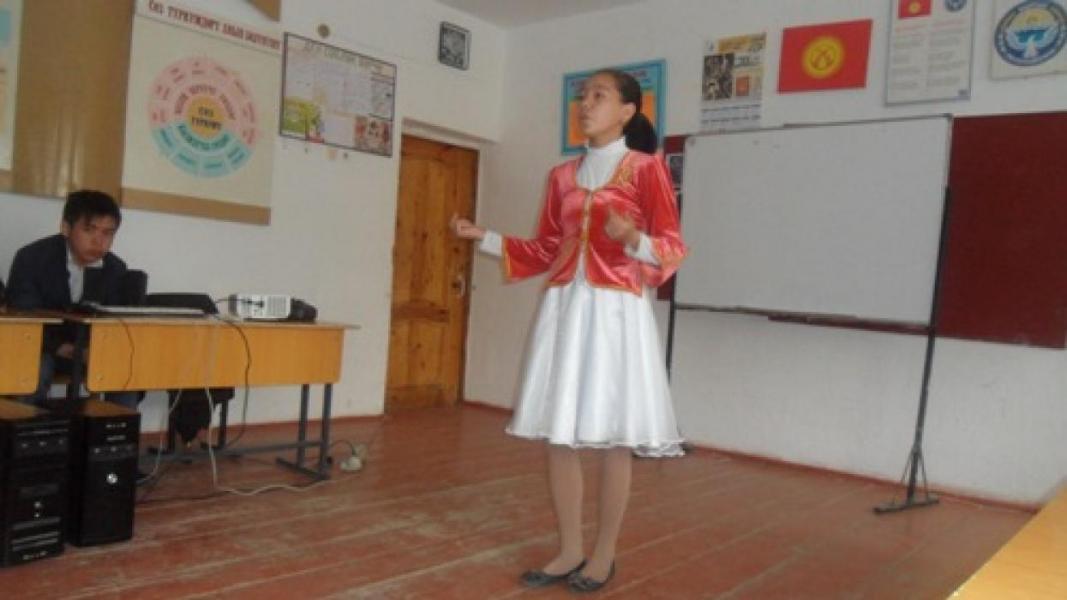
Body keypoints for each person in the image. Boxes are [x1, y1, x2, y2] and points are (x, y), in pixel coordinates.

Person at [451, 69, 687, 592]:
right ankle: (569, 550)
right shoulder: (561, 175)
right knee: (560, 435)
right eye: (583, 96)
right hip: (565, 309)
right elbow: (544, 249)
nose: (586, 104)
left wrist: (633, 239)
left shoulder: (645, 169)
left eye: (600, 96)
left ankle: (603, 555)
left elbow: (672, 246)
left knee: (615, 439)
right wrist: (484, 237)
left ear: (627, 110)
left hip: (616, 312)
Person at [6, 189, 141, 409]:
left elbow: (118, 324)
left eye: (107, 233)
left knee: (126, 370)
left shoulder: (115, 269)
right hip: (42, 346)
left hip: (89, 351)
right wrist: (64, 348)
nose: (98, 241)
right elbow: (22, 315)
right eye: (89, 230)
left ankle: (118, 427)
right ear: (66, 228)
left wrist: (95, 351)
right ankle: (27, 428)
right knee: (35, 369)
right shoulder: (32, 258)